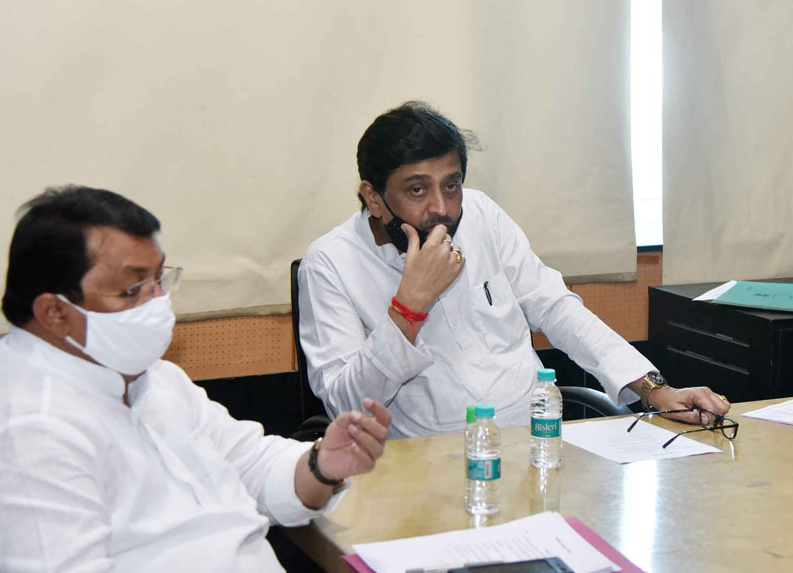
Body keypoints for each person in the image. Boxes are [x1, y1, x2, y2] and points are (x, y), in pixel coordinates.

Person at [0, 186, 391, 571]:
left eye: (159, 279)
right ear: (54, 313)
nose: (158, 302)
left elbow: (250, 466)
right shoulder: (21, 432)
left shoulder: (153, 380)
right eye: (131, 290)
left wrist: (323, 465)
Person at [298, 101, 730, 437]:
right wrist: (409, 308)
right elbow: (346, 406)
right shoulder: (330, 264)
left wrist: (655, 391)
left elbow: (555, 307)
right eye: (417, 190)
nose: (442, 209)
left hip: (535, 445)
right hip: (420, 463)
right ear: (373, 198)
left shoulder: (482, 214)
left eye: (452, 185)